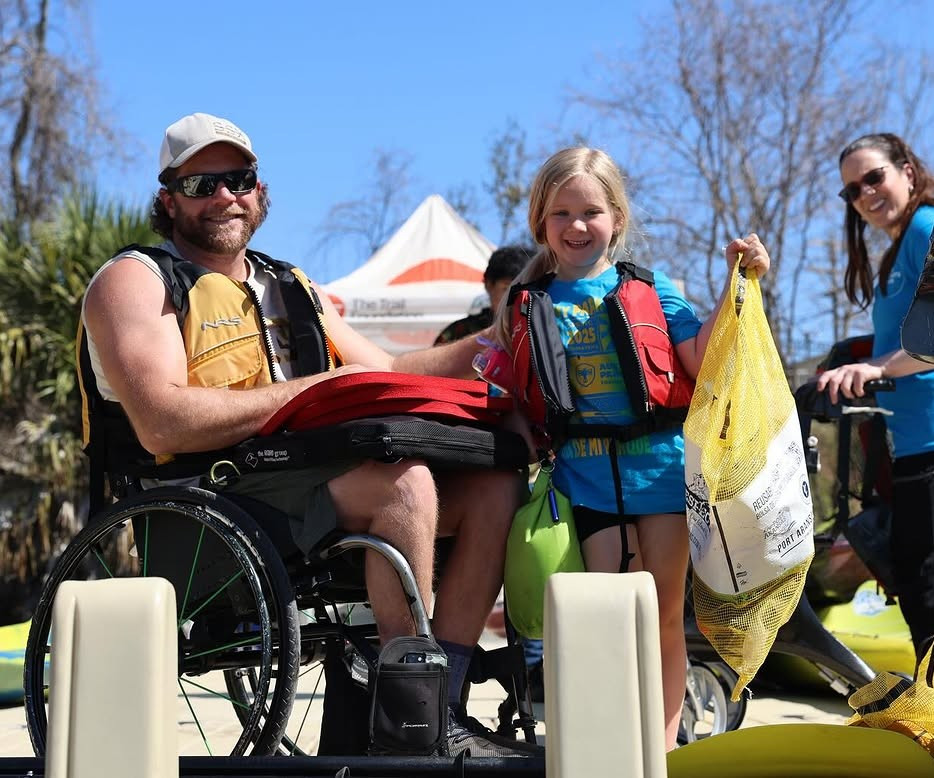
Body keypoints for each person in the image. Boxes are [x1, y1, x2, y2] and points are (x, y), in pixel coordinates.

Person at [79, 112, 541, 758]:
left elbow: (390, 372)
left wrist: (501, 334)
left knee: (494, 487)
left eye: (238, 179)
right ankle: (410, 725)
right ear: (166, 199)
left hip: (302, 477)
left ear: (259, 190)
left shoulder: (289, 285)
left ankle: (438, 705)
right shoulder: (135, 281)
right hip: (208, 497)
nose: (224, 196)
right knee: (403, 487)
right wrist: (308, 392)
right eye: (200, 185)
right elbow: (163, 419)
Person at [492, 146, 771, 750]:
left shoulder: (651, 287)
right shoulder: (526, 303)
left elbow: (701, 358)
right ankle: (615, 742)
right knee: (612, 614)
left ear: (616, 218)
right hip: (586, 481)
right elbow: (510, 391)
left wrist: (739, 285)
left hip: (662, 476)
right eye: (561, 213)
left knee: (663, 613)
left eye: (591, 211)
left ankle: (662, 747)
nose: (576, 226)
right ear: (541, 220)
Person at [816, 133, 934, 660]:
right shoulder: (901, 246)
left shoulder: (927, 227)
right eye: (851, 190)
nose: (865, 193)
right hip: (913, 450)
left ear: (907, 171)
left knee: (926, 589)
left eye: (873, 177)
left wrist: (871, 367)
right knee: (916, 583)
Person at [433, 244, 533, 345]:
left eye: (525, 291)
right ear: (488, 285)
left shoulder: (538, 333)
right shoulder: (457, 333)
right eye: (506, 289)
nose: (517, 298)